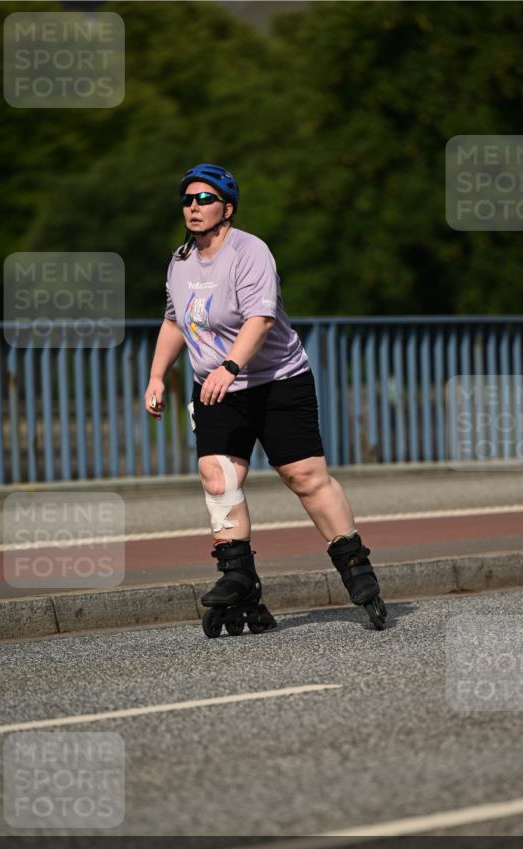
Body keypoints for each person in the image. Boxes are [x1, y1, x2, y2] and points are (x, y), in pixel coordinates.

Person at [145, 163, 387, 636]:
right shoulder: (180, 261)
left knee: (304, 476)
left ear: (227, 209)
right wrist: (157, 375)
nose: (193, 207)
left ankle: (354, 563)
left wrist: (230, 366)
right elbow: (175, 321)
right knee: (218, 476)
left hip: (278, 381)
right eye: (187, 200)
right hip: (215, 388)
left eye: (204, 199)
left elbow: (261, 319)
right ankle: (239, 577)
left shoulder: (250, 251)